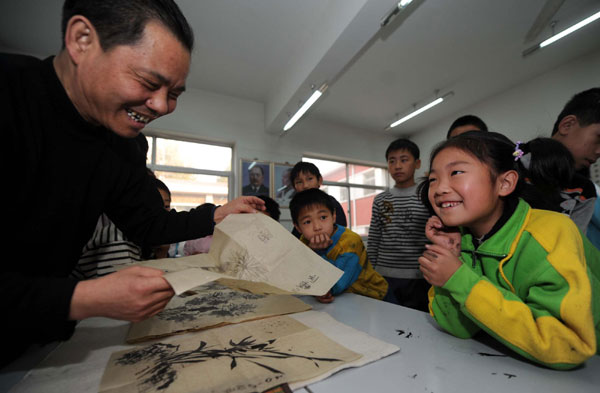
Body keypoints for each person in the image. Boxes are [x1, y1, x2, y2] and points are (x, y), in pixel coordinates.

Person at [1, 0, 265, 366]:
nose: (160, 105)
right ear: (81, 40)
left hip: (33, 343)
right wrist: (84, 298)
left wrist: (218, 214)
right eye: (148, 82)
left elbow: (148, 223)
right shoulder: (9, 95)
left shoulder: (123, 143)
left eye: (174, 94)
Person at [418, 131, 599, 370]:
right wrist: (452, 261)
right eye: (433, 179)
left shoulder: (553, 233)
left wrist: (459, 278)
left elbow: (568, 345)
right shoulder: (463, 238)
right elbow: (460, 328)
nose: (439, 188)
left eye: (456, 173)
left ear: (504, 183)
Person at [290, 189, 388, 303]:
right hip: (346, 300)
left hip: (374, 297)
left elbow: (336, 284)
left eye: (323, 217)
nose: (317, 227)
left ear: (334, 216)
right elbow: (299, 271)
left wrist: (318, 252)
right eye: (307, 222)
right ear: (298, 228)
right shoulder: (304, 241)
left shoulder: (350, 242)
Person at [368, 139, 430, 311]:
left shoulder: (427, 196)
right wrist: (371, 271)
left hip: (418, 277)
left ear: (417, 163)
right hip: (384, 275)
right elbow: (374, 239)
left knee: (417, 326)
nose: (397, 166)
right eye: (392, 161)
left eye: (404, 160)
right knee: (386, 322)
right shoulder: (380, 199)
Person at [551, 88, 600, 234]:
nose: (599, 152)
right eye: (599, 138)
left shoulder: (587, 193)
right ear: (567, 125)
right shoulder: (514, 168)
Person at [180, 195, 281, 256]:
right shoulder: (227, 241)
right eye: (250, 221)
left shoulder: (278, 251)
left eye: (261, 224)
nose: (254, 228)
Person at [289, 161, 347, 239]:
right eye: (299, 182)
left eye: (310, 179)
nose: (305, 185)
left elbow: (341, 229)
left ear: (319, 180)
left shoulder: (330, 202)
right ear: (294, 187)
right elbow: (296, 237)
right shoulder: (298, 207)